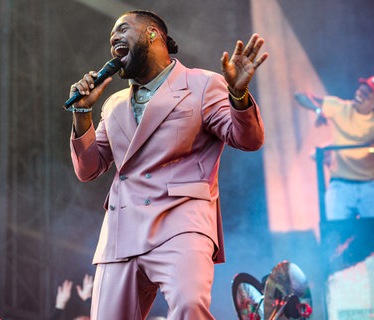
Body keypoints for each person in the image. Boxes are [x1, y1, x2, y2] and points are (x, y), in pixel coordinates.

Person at [66, 10, 268, 320]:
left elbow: (248, 139)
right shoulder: (114, 104)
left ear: (152, 34)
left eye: (122, 30)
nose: (114, 39)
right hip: (122, 231)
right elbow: (88, 169)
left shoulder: (202, 84)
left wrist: (238, 94)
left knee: (189, 306)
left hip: (181, 222)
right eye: (111, 38)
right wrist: (82, 115)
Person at [294, 74, 374, 220]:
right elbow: (300, 95)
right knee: (335, 231)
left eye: (367, 94)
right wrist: (318, 111)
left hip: (370, 186)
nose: (360, 94)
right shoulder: (340, 107)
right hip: (340, 185)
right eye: (361, 90)